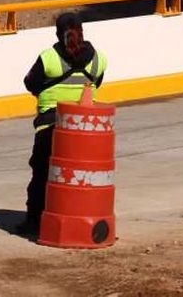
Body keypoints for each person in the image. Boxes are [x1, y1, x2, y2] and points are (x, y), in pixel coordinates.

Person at [16, 13, 107, 236]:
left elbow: (30, 83)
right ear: (82, 31)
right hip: (84, 128)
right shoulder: (98, 59)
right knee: (79, 177)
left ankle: (34, 222)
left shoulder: (49, 58)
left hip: (50, 125)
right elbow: (97, 84)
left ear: (58, 33)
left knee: (41, 172)